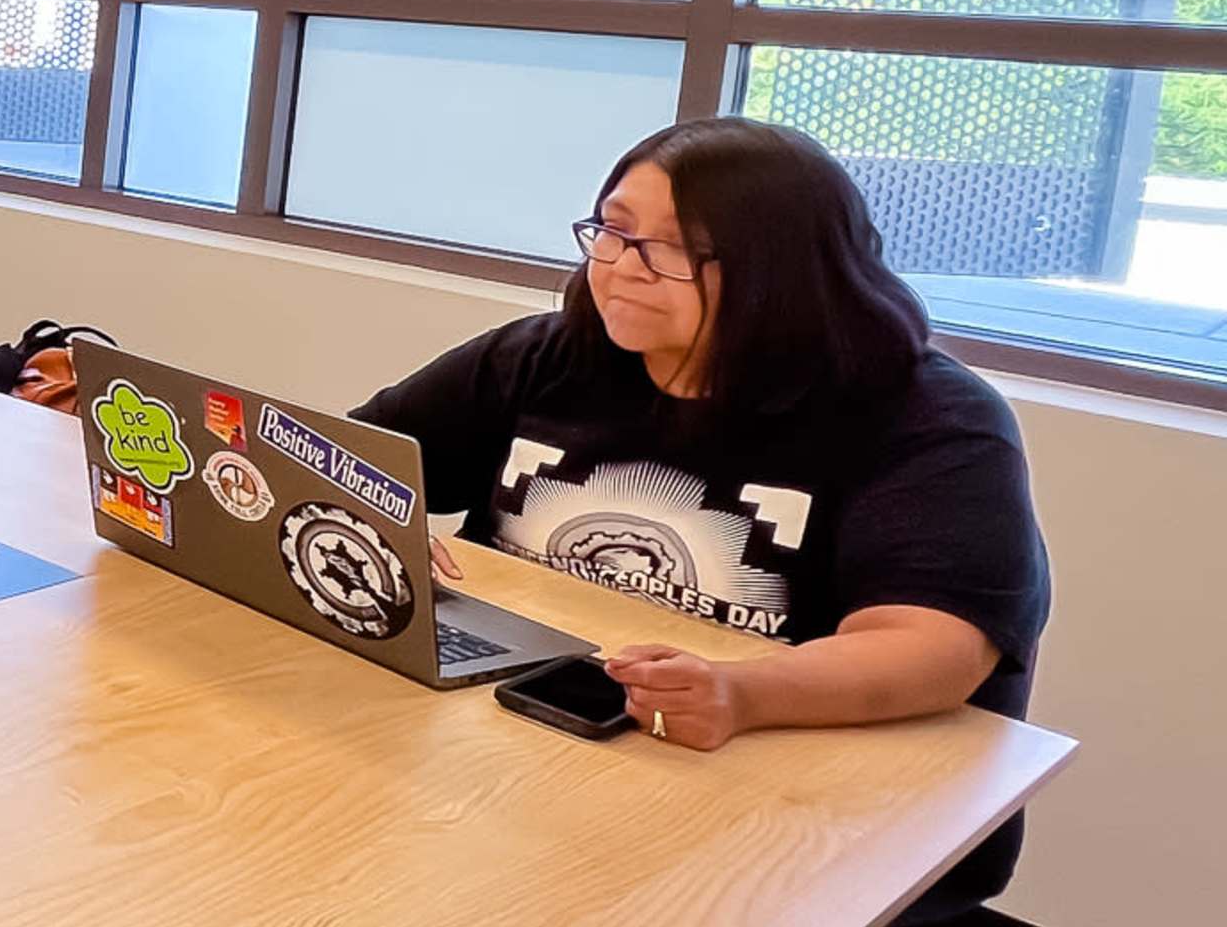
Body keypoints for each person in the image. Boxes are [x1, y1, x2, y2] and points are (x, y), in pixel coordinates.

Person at [355, 117, 1049, 763]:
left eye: (674, 248)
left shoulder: (926, 416)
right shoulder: (546, 356)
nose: (624, 265)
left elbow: (936, 644)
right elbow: (349, 459)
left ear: (782, 271)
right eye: (614, 231)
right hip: (521, 730)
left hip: (785, 775)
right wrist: (374, 522)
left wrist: (744, 692)